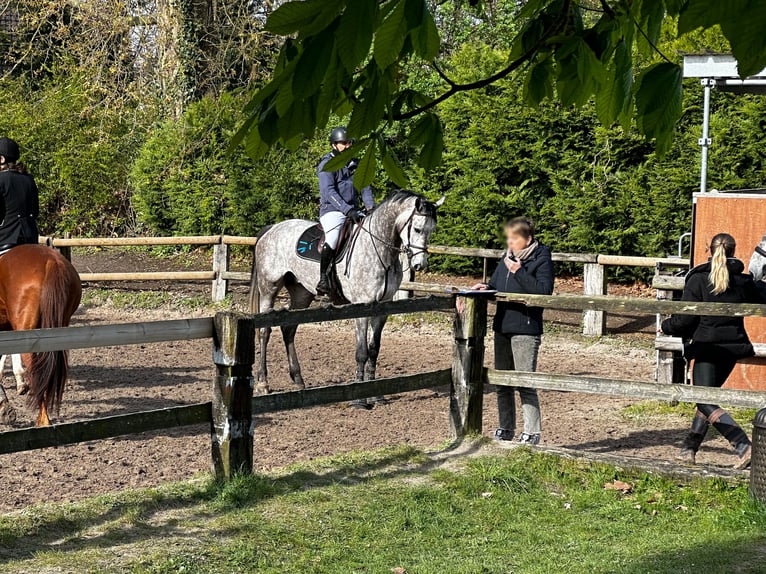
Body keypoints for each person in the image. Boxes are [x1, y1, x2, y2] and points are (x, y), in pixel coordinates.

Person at [661, 233, 763, 469]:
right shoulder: (743, 282)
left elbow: (684, 321)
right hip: (732, 348)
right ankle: (689, 449)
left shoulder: (698, 280)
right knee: (707, 399)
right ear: (734, 250)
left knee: (704, 399)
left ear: (709, 249)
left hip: (707, 348)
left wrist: (666, 327)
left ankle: (744, 446)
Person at [471, 217, 554, 444]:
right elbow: (497, 284)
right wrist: (485, 288)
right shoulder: (506, 258)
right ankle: (505, 427)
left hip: (526, 330)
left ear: (527, 239)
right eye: (508, 238)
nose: (509, 243)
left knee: (524, 382)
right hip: (502, 326)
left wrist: (519, 272)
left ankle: (532, 432)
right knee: (502, 382)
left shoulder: (541, 259)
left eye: (514, 239)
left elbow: (544, 292)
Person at [316, 126, 375, 295]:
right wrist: (347, 210)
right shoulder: (327, 165)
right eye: (344, 143)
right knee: (333, 238)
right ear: (334, 145)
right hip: (332, 210)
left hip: (354, 210)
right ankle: (323, 279)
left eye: (349, 143)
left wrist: (371, 207)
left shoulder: (355, 164)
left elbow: (364, 186)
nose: (348, 146)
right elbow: (329, 192)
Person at [0, 137, 39, 251]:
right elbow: (35, 212)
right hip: (31, 238)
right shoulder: (29, 179)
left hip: (5, 238)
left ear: (1, 159)